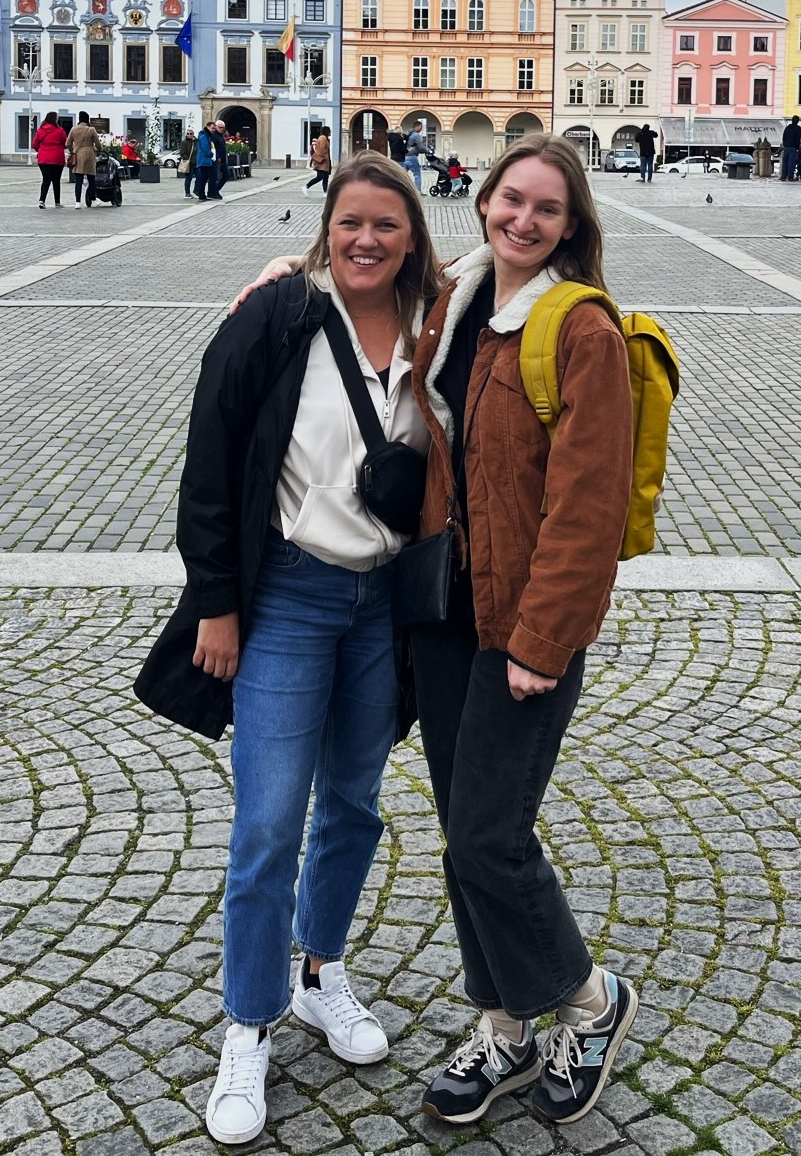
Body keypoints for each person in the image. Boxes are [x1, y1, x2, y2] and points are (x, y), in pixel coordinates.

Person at [229, 138, 640, 1128]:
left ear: (570, 224)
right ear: (483, 201)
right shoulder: (456, 300)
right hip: (444, 616)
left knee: (493, 835)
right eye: (509, 199)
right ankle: (500, 1022)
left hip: (524, 625)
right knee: (462, 836)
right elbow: (366, 282)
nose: (522, 219)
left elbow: (587, 511)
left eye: (545, 208)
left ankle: (588, 998)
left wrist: (544, 641)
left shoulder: (580, 330)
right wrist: (294, 271)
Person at [161, 153, 439, 1145]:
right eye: (350, 223)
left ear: (412, 235)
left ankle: (320, 970)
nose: (366, 240)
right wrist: (217, 605)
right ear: (328, 227)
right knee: (269, 820)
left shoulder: (430, 324)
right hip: (285, 593)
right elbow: (208, 455)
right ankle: (247, 1023)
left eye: (386, 225)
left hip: (380, 603)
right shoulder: (278, 314)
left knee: (355, 802)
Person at [32, 111, 68, 208]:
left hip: (43, 158)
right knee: (56, 180)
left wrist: (41, 150)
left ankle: (42, 200)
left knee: (46, 179)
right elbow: (65, 143)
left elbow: (35, 144)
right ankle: (57, 202)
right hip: (57, 158)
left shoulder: (40, 130)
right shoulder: (59, 130)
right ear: (55, 119)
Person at [66, 111, 98, 206]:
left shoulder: (73, 129)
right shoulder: (91, 129)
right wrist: (99, 150)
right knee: (91, 178)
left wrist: (72, 151)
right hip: (89, 154)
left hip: (78, 154)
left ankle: (78, 202)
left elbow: (67, 143)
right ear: (87, 119)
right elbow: (97, 143)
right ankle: (93, 199)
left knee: (78, 180)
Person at [303, 126, 333, 196]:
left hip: (325, 162)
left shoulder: (324, 138)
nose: (330, 132)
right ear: (326, 131)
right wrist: (323, 158)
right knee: (320, 177)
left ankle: (325, 193)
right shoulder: (323, 138)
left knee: (325, 177)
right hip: (322, 162)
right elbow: (322, 150)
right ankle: (306, 186)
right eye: (329, 131)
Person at [194, 122, 219, 201]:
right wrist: (211, 154)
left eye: (214, 128)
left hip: (207, 161)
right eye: (212, 128)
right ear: (208, 127)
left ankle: (203, 194)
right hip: (204, 160)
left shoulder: (208, 136)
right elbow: (205, 148)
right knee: (206, 178)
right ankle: (202, 193)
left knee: (205, 178)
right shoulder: (204, 136)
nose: (214, 130)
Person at [403, 121, 425, 190]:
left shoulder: (407, 134)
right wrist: (426, 151)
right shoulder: (417, 135)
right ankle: (418, 191)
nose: (422, 128)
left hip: (404, 157)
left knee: (402, 175)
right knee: (417, 175)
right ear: (417, 126)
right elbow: (420, 147)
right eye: (421, 127)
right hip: (412, 157)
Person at [780, 116, 801, 182]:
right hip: (793, 147)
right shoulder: (798, 128)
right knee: (791, 163)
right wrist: (797, 147)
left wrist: (784, 144)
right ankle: (790, 177)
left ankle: (783, 176)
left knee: (785, 162)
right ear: (797, 121)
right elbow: (797, 138)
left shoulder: (787, 127)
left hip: (786, 147)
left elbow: (784, 136)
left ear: (792, 120)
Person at [179, 127, 198, 198]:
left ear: (193, 134)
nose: (189, 135)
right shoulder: (184, 142)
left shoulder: (196, 142)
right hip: (189, 164)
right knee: (188, 179)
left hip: (196, 163)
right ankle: (187, 193)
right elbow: (182, 153)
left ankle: (196, 190)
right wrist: (187, 159)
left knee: (199, 178)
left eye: (191, 133)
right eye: (188, 134)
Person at [213, 120, 230, 195]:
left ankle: (216, 190)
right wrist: (217, 157)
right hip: (217, 160)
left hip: (223, 160)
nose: (222, 129)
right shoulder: (214, 136)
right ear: (216, 127)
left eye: (223, 128)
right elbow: (213, 149)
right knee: (216, 177)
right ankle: (214, 191)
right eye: (220, 127)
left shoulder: (221, 136)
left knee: (226, 175)